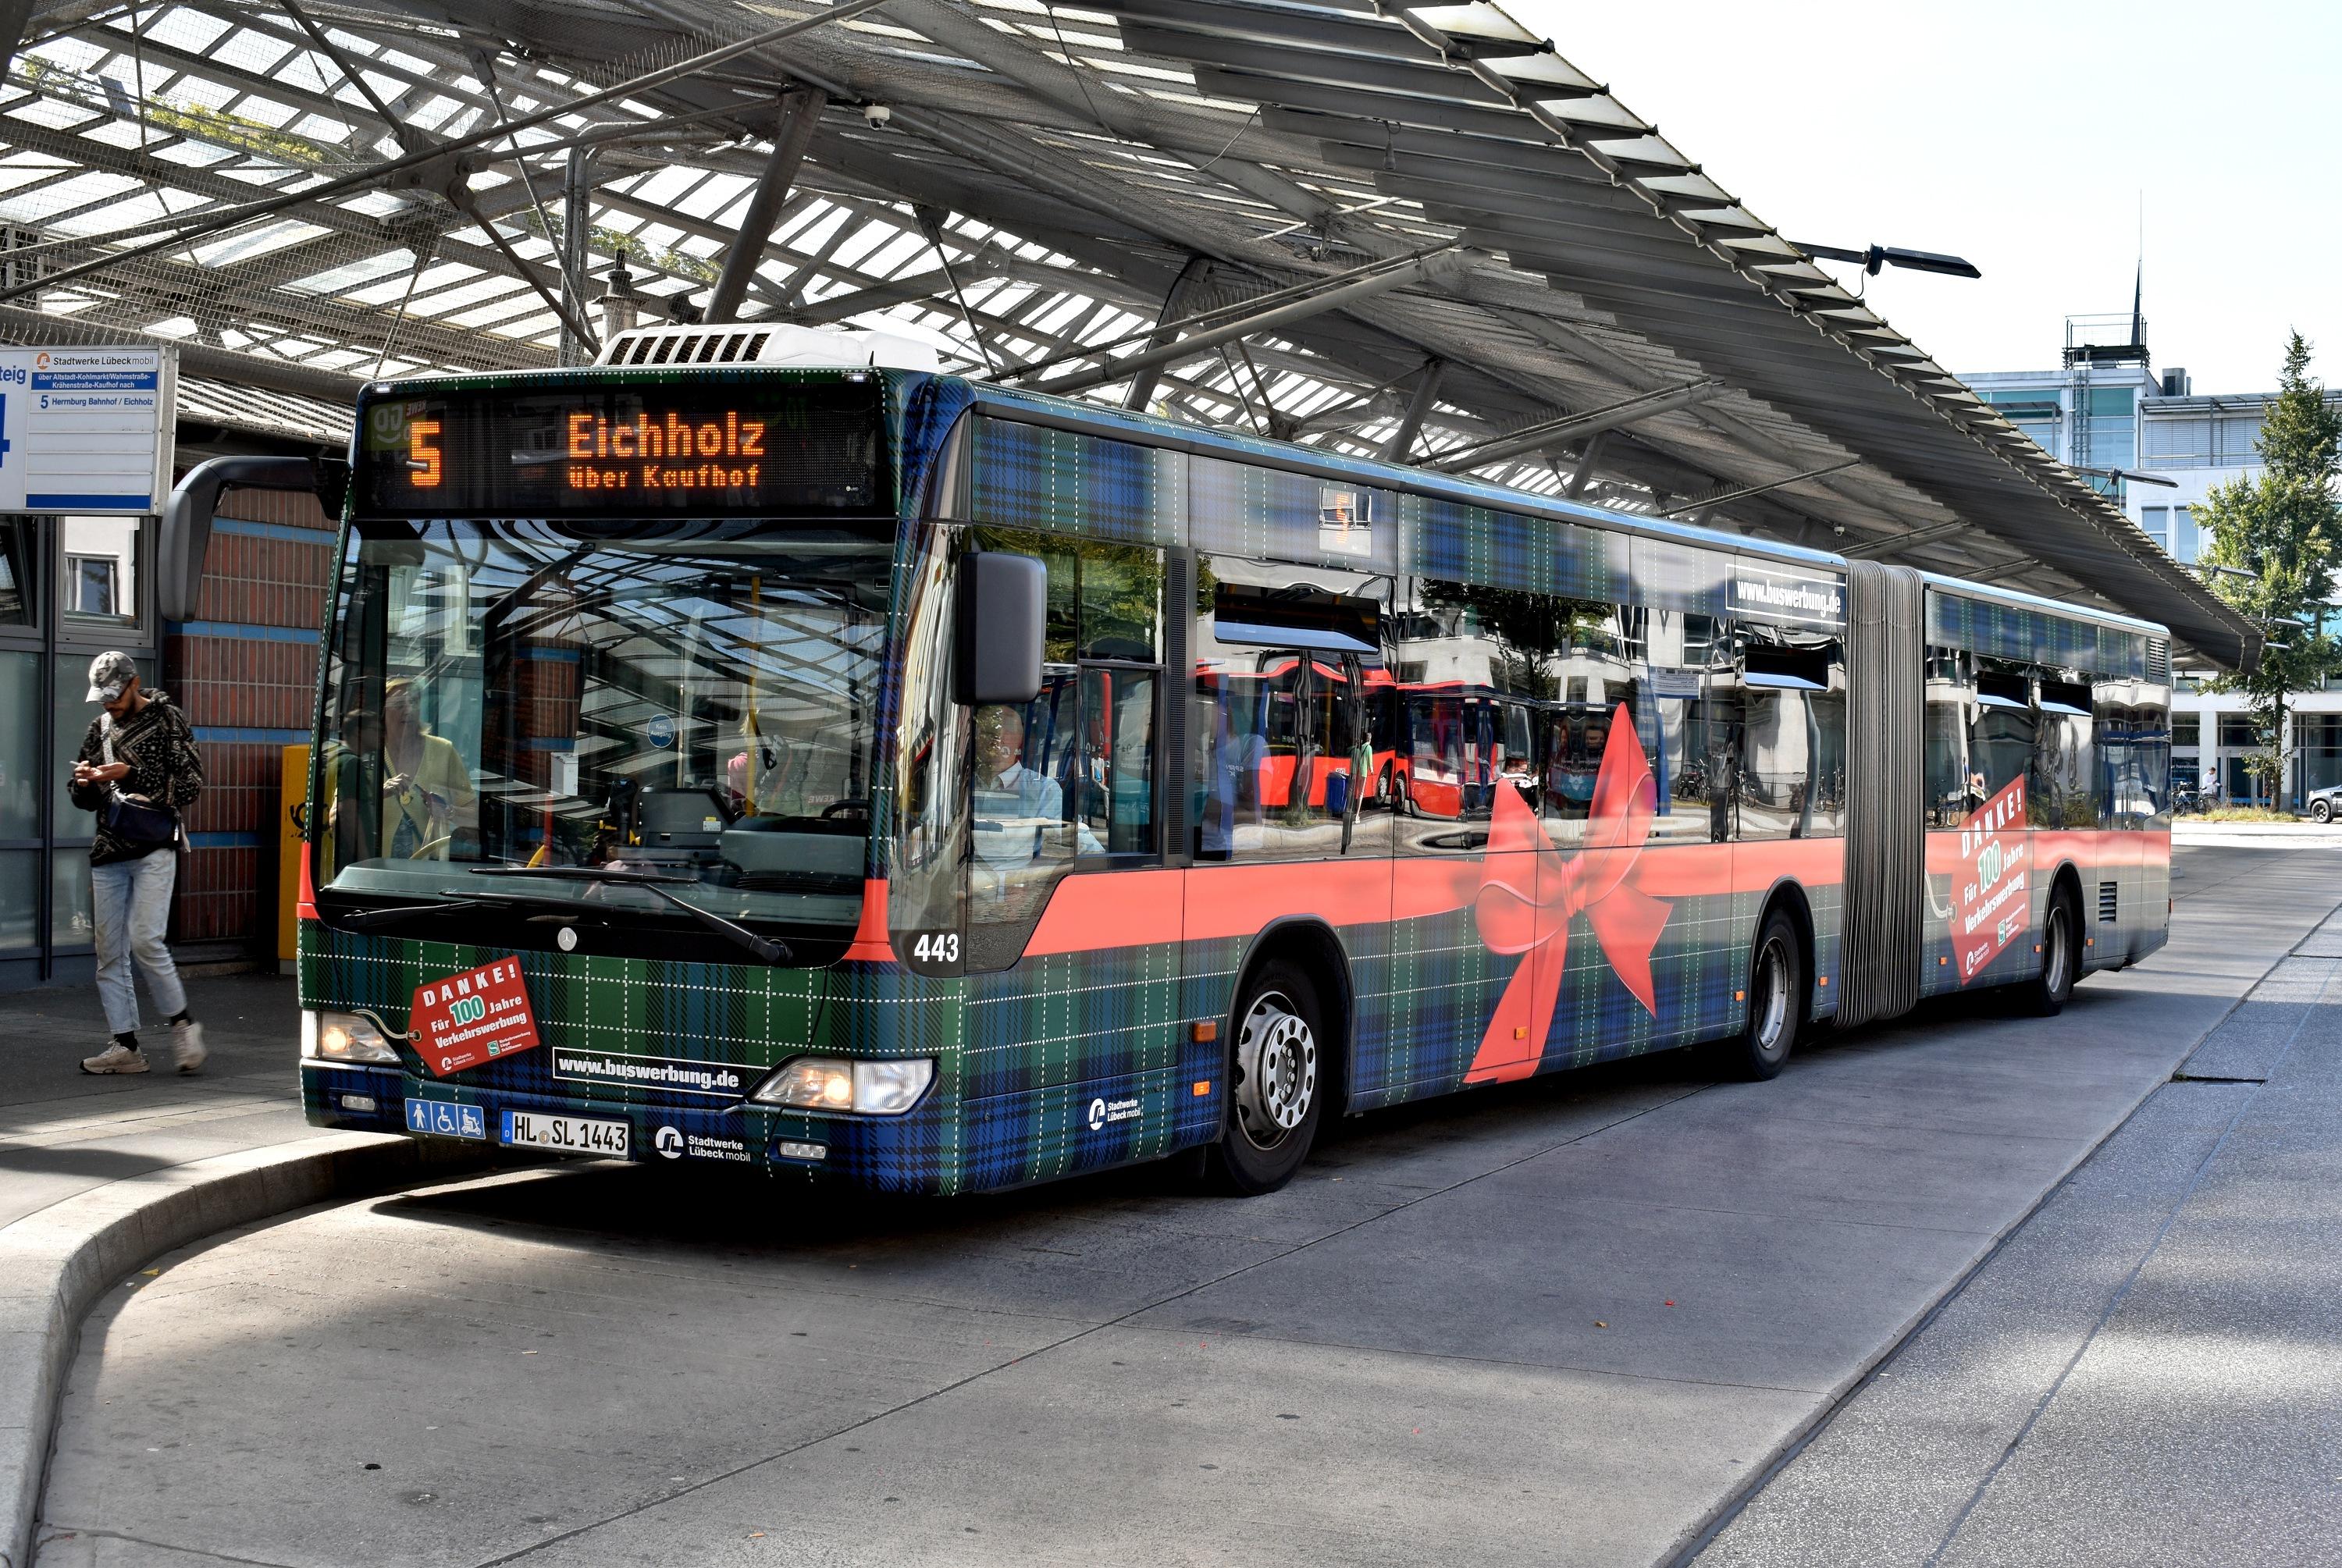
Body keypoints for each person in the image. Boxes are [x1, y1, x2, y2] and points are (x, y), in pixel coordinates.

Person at [67, 652, 205, 1075]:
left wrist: (129, 774)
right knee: (108, 952)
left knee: (145, 940)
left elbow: (190, 784)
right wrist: (85, 781)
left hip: (154, 848)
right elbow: (81, 796)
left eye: (114, 694)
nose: (108, 703)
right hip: (109, 849)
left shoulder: (169, 719)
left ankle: (183, 1025)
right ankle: (125, 1046)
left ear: (134, 683)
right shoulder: (100, 728)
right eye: (102, 696)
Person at [379, 678, 474, 858]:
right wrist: (377, 795)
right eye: (399, 704)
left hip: (429, 873)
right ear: (382, 711)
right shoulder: (370, 753)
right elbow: (337, 818)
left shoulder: (443, 750)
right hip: (373, 875)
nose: (409, 709)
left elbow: (474, 816)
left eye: (414, 702)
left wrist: (448, 811)